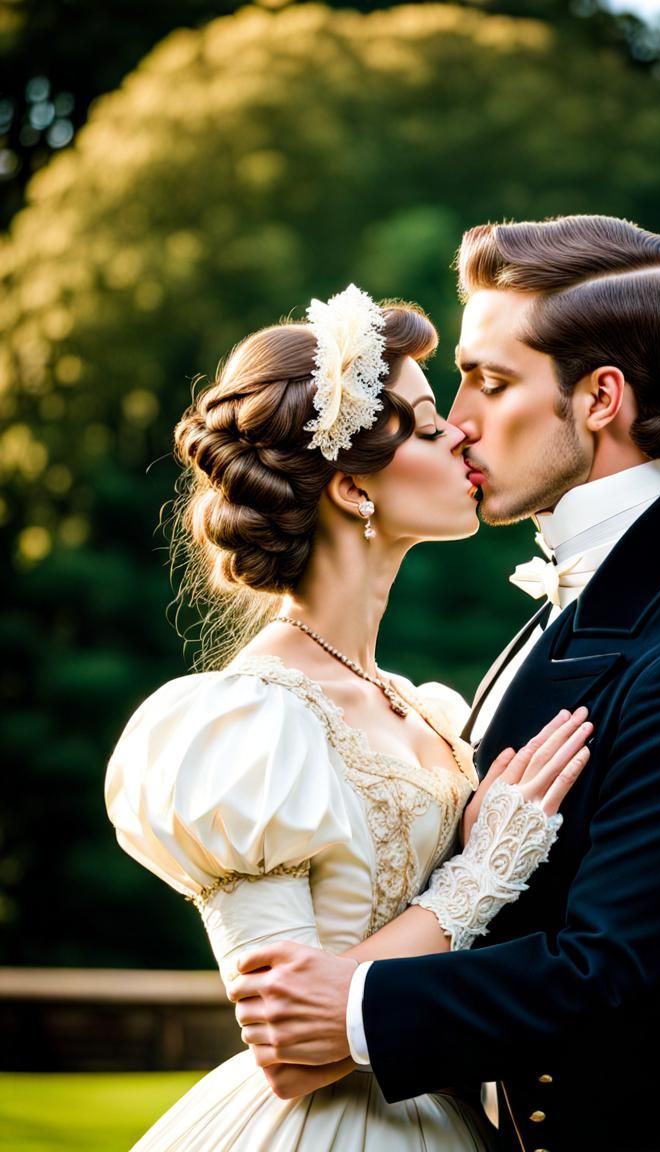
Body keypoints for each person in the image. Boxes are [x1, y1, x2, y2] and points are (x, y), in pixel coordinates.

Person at [226, 217, 660, 1152]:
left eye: (491, 383)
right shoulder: (567, 611)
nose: (457, 419)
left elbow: (614, 979)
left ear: (600, 398)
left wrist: (357, 1006)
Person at [104, 284, 593, 1152]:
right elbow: (291, 1055)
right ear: (351, 486)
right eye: (427, 424)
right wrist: (480, 875)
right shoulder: (246, 727)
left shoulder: (428, 709)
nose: (462, 434)